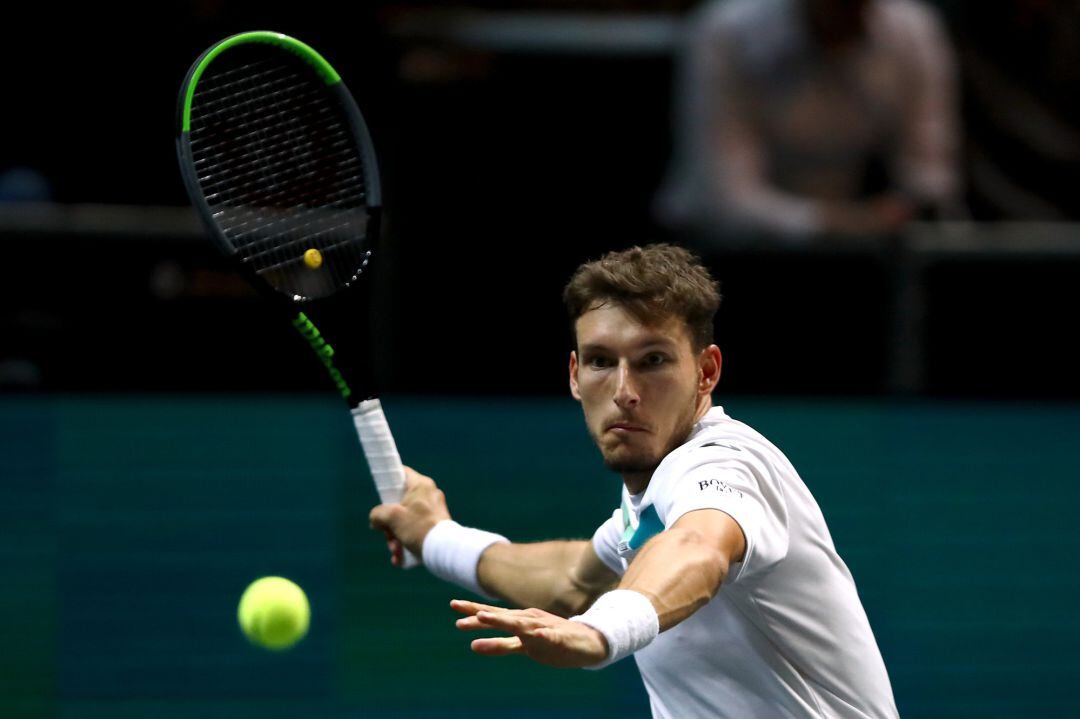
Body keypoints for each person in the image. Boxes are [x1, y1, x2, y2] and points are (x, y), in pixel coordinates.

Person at [370, 244, 898, 718]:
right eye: (602, 362)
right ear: (575, 376)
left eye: (653, 361)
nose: (625, 390)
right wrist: (434, 536)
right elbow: (571, 583)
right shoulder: (644, 510)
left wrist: (601, 632)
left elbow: (698, 546)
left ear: (706, 371)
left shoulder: (723, 462)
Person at [655, 0, 962, 243]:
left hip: (847, 254)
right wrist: (842, 222)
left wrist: (910, 211)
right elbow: (725, 201)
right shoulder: (725, 30)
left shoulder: (913, 29)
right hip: (711, 250)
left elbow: (929, 174)